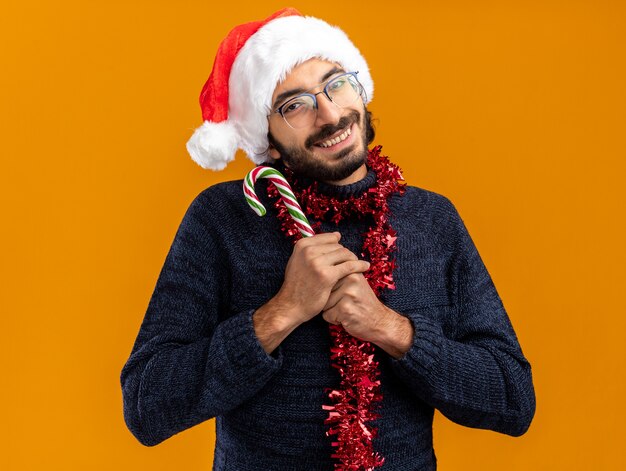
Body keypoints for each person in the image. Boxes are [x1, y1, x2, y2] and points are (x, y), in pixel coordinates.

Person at [120, 7, 536, 471]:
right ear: (269, 139)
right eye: (294, 105)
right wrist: (282, 312)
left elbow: (512, 400)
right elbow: (146, 406)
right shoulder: (223, 218)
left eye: (337, 83)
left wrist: (390, 330)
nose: (330, 113)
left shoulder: (432, 220)